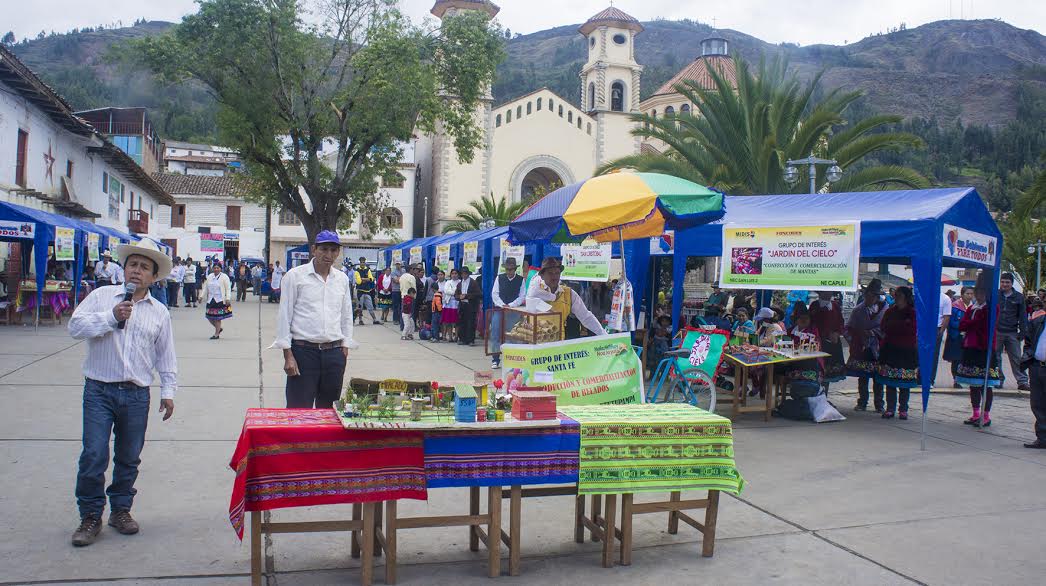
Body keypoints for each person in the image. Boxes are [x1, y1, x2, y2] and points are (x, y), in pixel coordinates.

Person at [67, 238, 177, 547]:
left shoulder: (159, 312)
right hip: (99, 391)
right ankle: (90, 515)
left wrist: (168, 391)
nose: (136, 271)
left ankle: (121, 510)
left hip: (137, 394)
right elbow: (75, 328)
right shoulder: (102, 297)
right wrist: (111, 317)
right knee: (94, 454)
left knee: (129, 458)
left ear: (154, 277)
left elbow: (165, 354)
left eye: (144, 267)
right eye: (132, 265)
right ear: (123, 268)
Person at [271, 231, 356, 409]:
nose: (328, 255)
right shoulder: (295, 277)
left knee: (329, 412)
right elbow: (284, 316)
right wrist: (288, 355)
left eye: (333, 250)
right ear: (313, 250)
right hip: (303, 353)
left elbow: (346, 315)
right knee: (298, 410)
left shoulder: (341, 279)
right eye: (323, 249)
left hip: (334, 353)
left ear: (338, 252)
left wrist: (344, 348)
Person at [957, 276, 1004, 427]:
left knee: (986, 384)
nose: (979, 295)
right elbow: (962, 325)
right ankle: (976, 412)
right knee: (973, 384)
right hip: (971, 348)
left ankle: (986, 415)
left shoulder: (991, 308)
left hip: (984, 349)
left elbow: (981, 324)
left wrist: (971, 323)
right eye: (977, 292)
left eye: (982, 292)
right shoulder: (972, 308)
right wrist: (971, 323)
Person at [525, 258, 607, 340]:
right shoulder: (535, 291)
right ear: (542, 276)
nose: (554, 276)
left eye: (557, 273)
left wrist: (604, 335)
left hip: (559, 343)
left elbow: (586, 316)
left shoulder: (569, 293)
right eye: (550, 273)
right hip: (537, 343)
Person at [876, 286, 919, 420]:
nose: (897, 297)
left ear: (906, 297)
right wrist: (900, 325)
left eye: (900, 295)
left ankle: (903, 409)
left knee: (904, 381)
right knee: (890, 381)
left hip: (906, 350)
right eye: (896, 295)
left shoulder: (912, 312)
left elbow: (911, 329)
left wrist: (896, 326)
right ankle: (890, 408)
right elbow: (883, 326)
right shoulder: (890, 311)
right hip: (890, 349)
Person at [846, 278, 887, 412]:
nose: (868, 299)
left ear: (876, 297)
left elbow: (887, 328)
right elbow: (849, 327)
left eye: (871, 296)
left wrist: (874, 333)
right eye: (866, 296)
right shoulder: (858, 310)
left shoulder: (886, 310)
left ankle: (879, 404)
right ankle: (862, 402)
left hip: (878, 348)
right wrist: (856, 338)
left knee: (878, 377)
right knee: (863, 376)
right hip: (862, 347)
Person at [489, 258, 525, 368]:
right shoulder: (499, 278)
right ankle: (495, 359)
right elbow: (495, 294)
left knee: (512, 335)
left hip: (513, 310)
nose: (509, 272)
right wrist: (502, 304)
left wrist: (511, 305)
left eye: (511, 269)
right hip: (499, 309)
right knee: (495, 333)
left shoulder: (520, 279)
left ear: (515, 269)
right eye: (507, 269)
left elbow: (522, 296)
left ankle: (511, 358)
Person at [997, 272, 1029, 390]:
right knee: (996, 358)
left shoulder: (1019, 297)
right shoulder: (995, 295)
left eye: (1007, 282)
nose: (1004, 284)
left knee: (1016, 358)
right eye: (1002, 282)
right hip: (997, 331)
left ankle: (1022, 381)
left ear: (1011, 283)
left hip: (1012, 332)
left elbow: (1022, 316)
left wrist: (1023, 332)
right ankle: (998, 379)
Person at [1022, 305, 1046, 448]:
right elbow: (1028, 342)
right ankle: (1042, 438)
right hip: (1037, 367)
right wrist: (1029, 359)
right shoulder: (1038, 322)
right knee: (1038, 404)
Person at [809, 292, 846, 385]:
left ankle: (824, 395)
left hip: (833, 343)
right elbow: (812, 323)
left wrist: (837, 333)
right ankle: (818, 394)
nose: (829, 294)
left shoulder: (835, 305)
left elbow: (841, 322)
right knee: (819, 369)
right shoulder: (815, 305)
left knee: (829, 372)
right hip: (819, 342)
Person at [944, 287, 973, 387]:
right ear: (962, 294)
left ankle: (964, 378)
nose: (970, 296)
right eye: (967, 294)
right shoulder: (955, 306)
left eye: (971, 294)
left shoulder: (973, 307)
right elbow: (951, 322)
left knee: (966, 359)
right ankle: (956, 379)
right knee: (956, 359)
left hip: (969, 337)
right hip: (956, 336)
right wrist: (963, 326)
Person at [204, 262, 233, 340]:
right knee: (209, 316)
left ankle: (216, 334)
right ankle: (219, 328)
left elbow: (228, 288)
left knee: (218, 318)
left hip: (220, 301)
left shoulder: (224, 277)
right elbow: (205, 287)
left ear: (221, 269)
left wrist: (228, 298)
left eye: (218, 268)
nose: (216, 269)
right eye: (215, 268)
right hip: (211, 300)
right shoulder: (210, 276)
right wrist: (201, 296)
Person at [455, 266, 482, 345]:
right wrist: (459, 297)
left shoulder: (473, 282)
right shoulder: (460, 284)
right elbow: (456, 294)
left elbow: (478, 294)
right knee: (462, 322)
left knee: (471, 323)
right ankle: (463, 339)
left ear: (468, 274)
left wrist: (466, 296)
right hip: (462, 304)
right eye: (462, 274)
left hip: (471, 305)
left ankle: (471, 340)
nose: (464, 275)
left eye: (465, 273)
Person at [352, 257, 379, 325]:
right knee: (360, 308)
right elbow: (358, 281)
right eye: (361, 262)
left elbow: (371, 279)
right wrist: (367, 279)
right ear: (360, 263)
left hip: (367, 291)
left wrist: (363, 279)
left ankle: (374, 319)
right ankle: (360, 320)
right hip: (360, 292)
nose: (362, 263)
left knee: (370, 307)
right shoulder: (357, 271)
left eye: (363, 262)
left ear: (365, 262)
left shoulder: (368, 270)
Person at [442, 269, 460, 342]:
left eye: (455, 273)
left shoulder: (460, 282)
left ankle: (456, 336)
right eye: (452, 273)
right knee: (448, 321)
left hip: (457, 303)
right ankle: (450, 337)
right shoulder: (448, 282)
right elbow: (446, 290)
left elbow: (460, 291)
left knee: (457, 322)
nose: (454, 275)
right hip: (448, 303)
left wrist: (453, 292)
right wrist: (455, 292)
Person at [429, 270, 446, 342]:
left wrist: (439, 310)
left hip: (436, 312)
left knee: (435, 325)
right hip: (436, 311)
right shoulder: (439, 294)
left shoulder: (437, 295)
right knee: (435, 325)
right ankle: (435, 337)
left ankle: (435, 337)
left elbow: (438, 304)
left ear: (433, 289)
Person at [390, 262, 405, 326]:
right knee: (396, 306)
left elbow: (404, 279)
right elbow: (396, 281)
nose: (398, 265)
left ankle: (401, 319)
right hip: (395, 291)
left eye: (399, 264)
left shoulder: (404, 271)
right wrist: (401, 278)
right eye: (397, 264)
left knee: (402, 306)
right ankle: (395, 319)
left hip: (402, 290)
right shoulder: (393, 272)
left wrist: (399, 278)